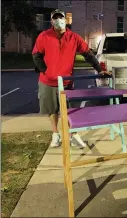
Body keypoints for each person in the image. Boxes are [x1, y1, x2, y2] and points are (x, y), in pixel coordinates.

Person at [32, 9, 111, 148]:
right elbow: (36, 55)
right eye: (55, 18)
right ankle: (55, 134)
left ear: (65, 20)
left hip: (66, 81)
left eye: (60, 18)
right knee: (52, 110)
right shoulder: (44, 36)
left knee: (68, 110)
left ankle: (71, 135)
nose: (58, 21)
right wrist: (46, 71)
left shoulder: (74, 37)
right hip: (48, 81)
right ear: (51, 21)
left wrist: (100, 69)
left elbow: (88, 54)